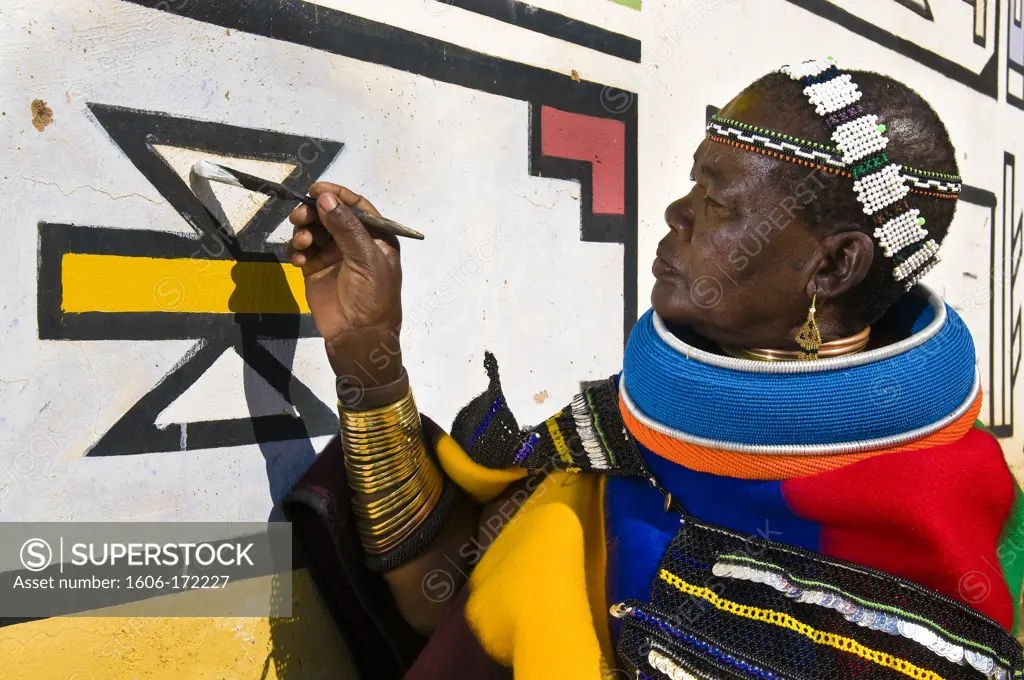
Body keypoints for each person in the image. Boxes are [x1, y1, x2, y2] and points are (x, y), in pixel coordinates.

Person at [286, 59, 1024, 680]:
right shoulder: (626, 434)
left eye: (718, 201)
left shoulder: (937, 545)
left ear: (832, 265)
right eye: (692, 184)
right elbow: (439, 596)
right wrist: (367, 349)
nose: (676, 213)